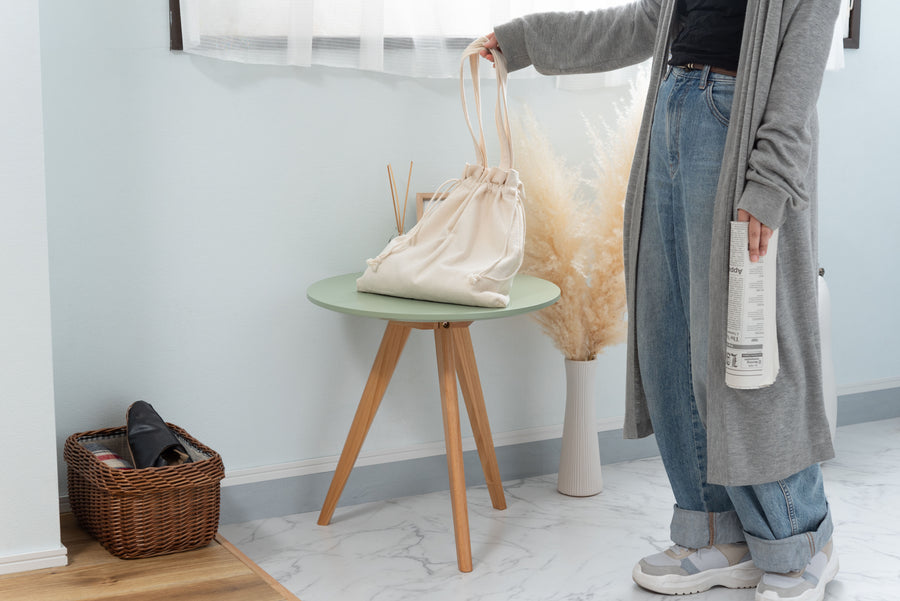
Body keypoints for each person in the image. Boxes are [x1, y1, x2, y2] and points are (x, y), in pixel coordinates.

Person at [479, 1, 840, 600]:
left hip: (736, 129)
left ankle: (801, 540)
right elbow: (642, 24)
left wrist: (771, 177)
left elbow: (800, 65)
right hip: (674, 114)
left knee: (745, 352)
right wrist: (523, 40)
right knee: (669, 338)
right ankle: (713, 533)